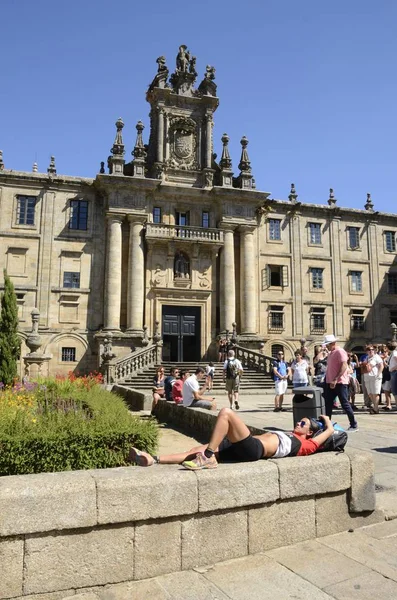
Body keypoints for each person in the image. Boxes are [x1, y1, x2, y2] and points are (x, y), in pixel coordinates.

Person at [128, 408, 335, 470]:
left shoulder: (306, 444)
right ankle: (153, 458)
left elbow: (327, 434)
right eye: (300, 421)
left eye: (303, 424)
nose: (298, 423)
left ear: (309, 433)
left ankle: (209, 456)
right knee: (194, 449)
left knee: (226, 413)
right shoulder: (290, 434)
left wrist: (327, 423)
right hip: (241, 445)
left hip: (254, 450)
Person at [323, 334, 358, 432]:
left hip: (340, 382)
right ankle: (327, 424)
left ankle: (354, 424)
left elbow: (344, 365)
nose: (326, 346)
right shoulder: (331, 353)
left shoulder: (340, 351)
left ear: (333, 343)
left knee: (344, 404)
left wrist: (335, 379)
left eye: (327, 344)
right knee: (328, 404)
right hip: (330, 381)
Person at [363, 346, 384, 414]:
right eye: (369, 350)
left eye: (372, 349)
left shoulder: (377, 357)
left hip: (375, 377)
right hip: (367, 377)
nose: (371, 351)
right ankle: (375, 407)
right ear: (366, 351)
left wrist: (378, 374)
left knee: (375, 393)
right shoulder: (367, 358)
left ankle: (376, 408)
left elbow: (381, 365)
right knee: (370, 393)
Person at [388, 341, 397, 407]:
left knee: (395, 390)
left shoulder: (394, 354)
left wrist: (393, 368)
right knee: (394, 390)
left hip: (395, 372)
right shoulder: (393, 353)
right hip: (393, 372)